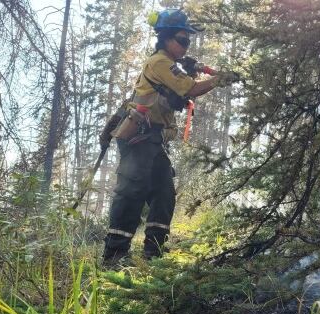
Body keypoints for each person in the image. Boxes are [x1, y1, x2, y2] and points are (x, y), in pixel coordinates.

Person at [101, 9, 238, 266]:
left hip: (154, 139)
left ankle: (154, 253)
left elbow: (181, 89)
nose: (186, 45)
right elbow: (191, 89)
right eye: (182, 40)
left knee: (164, 193)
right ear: (165, 38)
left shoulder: (171, 65)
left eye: (189, 41)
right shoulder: (160, 63)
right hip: (137, 136)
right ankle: (114, 256)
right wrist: (220, 79)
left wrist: (195, 71)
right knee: (132, 191)